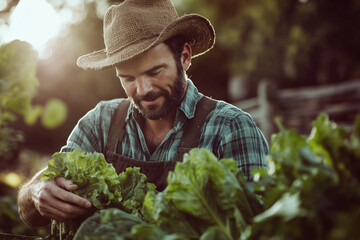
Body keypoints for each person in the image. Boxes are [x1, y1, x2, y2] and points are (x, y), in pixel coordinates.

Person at [17, 0, 269, 227]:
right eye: (128, 78)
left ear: (184, 57)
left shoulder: (232, 128)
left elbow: (259, 229)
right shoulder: (100, 123)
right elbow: (29, 213)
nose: (143, 89)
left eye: (155, 72)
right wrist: (36, 191)